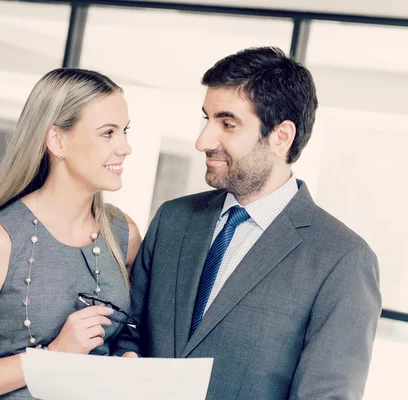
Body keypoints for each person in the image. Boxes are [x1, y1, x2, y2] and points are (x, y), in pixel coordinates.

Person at [116, 47, 381, 399]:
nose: (203, 141)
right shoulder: (172, 220)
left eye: (227, 124)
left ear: (281, 137)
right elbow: (128, 332)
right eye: (206, 120)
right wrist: (126, 361)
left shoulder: (343, 260)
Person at [0, 68, 142, 400]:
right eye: (108, 133)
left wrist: (129, 357)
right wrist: (53, 356)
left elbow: (132, 334)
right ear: (57, 140)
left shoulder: (123, 234)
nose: (125, 147)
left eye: (124, 131)